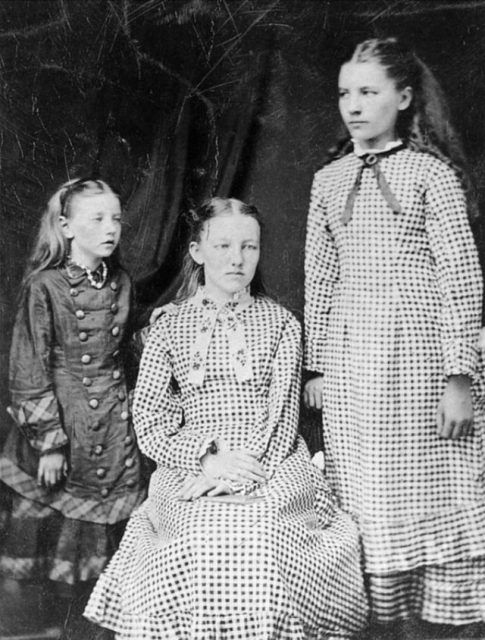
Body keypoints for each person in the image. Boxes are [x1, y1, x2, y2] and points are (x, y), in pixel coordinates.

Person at [85, 197, 368, 640]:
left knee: (260, 532)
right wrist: (206, 460)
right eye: (223, 247)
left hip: (271, 461)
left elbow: (281, 414)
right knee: (199, 533)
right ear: (197, 251)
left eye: (249, 247)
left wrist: (241, 473)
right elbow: (151, 416)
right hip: (191, 465)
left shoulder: (281, 324)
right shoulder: (169, 326)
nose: (237, 259)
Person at [303, 37, 485, 635]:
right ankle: (381, 619)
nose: (352, 105)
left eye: (368, 92)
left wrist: (460, 377)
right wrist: (318, 367)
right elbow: (321, 279)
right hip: (354, 360)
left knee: (433, 478)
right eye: (344, 93)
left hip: (421, 355)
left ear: (404, 98)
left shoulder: (432, 174)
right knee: (367, 489)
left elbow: (461, 277)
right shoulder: (327, 181)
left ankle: (439, 622)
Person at [0, 178, 146, 631]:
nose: (111, 228)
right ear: (65, 227)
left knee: (106, 569)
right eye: (97, 219)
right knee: (56, 560)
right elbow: (28, 370)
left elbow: (123, 345)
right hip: (67, 430)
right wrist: (50, 444)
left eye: (116, 219)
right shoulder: (44, 287)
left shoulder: (120, 281)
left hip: (112, 428)